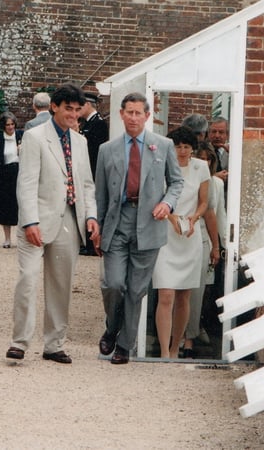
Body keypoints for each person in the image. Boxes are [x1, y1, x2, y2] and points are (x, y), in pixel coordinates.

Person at [6, 83, 100, 364]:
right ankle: (19, 342)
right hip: (36, 221)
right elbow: (26, 184)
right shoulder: (35, 137)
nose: (73, 115)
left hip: (69, 220)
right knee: (28, 279)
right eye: (67, 109)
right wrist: (30, 221)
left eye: (76, 110)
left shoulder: (81, 142)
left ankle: (54, 344)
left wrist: (91, 216)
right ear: (55, 107)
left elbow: (86, 185)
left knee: (61, 285)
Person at [94, 92, 184, 365]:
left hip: (149, 224)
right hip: (117, 223)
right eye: (128, 112)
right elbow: (100, 194)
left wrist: (167, 204)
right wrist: (97, 229)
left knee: (136, 289)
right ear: (121, 114)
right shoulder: (106, 150)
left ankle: (125, 344)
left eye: (138, 113)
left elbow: (177, 183)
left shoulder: (163, 146)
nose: (133, 118)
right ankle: (112, 327)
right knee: (114, 283)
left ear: (147, 116)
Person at [151, 127, 215, 359]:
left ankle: (177, 347)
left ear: (193, 148)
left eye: (187, 146)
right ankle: (164, 351)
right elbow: (155, 198)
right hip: (166, 234)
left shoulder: (201, 167)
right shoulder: (162, 164)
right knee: (166, 293)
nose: (182, 151)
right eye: (178, 146)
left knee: (184, 295)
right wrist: (171, 217)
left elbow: (204, 202)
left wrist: (193, 219)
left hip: (190, 235)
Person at [182, 142, 224, 358]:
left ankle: (189, 339)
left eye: (208, 159)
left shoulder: (213, 184)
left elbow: (211, 214)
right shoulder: (179, 176)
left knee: (196, 293)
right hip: (178, 235)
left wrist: (216, 246)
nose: (203, 162)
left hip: (199, 238)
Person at [78, 91, 109, 256]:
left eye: (80, 106)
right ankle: (86, 240)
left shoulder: (98, 124)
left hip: (93, 171)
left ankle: (91, 243)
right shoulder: (87, 123)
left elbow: (95, 152)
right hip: (86, 170)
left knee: (92, 205)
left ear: (88, 105)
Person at [0, 111, 23, 248]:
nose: (10, 127)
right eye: (7, 125)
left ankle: (22, 238)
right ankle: (7, 238)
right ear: (3, 126)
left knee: (21, 206)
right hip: (4, 177)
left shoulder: (22, 136)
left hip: (20, 173)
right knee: (6, 207)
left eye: (12, 124)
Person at [208, 117, 229, 183]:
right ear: (208, 134)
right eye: (214, 132)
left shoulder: (233, 152)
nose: (217, 136)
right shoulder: (202, 151)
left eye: (221, 132)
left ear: (227, 135)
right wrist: (214, 177)